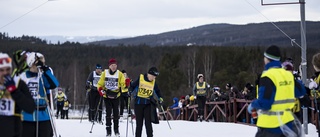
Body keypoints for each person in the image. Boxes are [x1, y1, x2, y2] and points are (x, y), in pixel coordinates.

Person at [248, 45, 306, 137]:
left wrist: (253, 104)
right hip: (287, 123)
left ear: (267, 59)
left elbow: (265, 103)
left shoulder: (268, 76)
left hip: (269, 126)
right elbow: (301, 91)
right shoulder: (287, 75)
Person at [19, 52, 59, 137]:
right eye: (40, 63)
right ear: (32, 63)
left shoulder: (44, 76)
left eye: (43, 63)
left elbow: (54, 84)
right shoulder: (23, 76)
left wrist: (45, 69)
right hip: (27, 117)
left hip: (43, 116)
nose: (41, 65)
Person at [0, 52, 35, 137]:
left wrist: (14, 91)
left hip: (13, 131)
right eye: (1, 70)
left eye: (8, 69)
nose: (5, 73)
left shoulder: (18, 83)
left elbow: (30, 107)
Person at [129, 67, 163, 137]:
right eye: (153, 76)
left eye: (155, 77)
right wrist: (130, 91)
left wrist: (160, 98)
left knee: (148, 123)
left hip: (147, 104)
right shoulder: (140, 78)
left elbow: (157, 91)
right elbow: (132, 86)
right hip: (138, 104)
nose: (154, 78)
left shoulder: (153, 82)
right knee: (139, 124)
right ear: (149, 74)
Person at [97, 58, 125, 137]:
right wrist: (100, 90)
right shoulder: (104, 73)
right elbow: (100, 84)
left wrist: (126, 83)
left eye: (115, 65)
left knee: (116, 114)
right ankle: (108, 131)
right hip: (107, 96)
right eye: (112, 65)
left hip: (116, 96)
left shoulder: (119, 74)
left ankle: (116, 130)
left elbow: (123, 84)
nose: (114, 67)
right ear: (109, 66)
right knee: (108, 113)